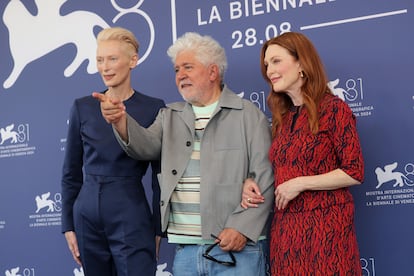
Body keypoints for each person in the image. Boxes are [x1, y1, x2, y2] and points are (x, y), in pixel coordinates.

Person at [93, 32, 274, 276]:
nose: (180, 76)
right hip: (186, 252)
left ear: (213, 72)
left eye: (188, 67)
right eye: (177, 70)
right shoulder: (170, 114)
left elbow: (265, 177)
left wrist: (241, 228)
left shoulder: (248, 115)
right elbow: (144, 145)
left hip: (236, 250)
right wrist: (120, 120)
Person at [241, 32, 364, 275]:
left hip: (327, 229)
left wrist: (300, 183)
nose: (269, 70)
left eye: (276, 61)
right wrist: (250, 183)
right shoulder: (282, 119)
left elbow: (354, 171)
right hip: (286, 231)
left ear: (301, 64)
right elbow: (277, 169)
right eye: (266, 64)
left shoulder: (333, 109)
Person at [61, 27, 165, 276]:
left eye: (112, 59)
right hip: (86, 214)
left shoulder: (154, 107)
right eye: (99, 60)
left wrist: (158, 228)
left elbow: (160, 176)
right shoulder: (82, 107)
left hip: (131, 210)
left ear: (132, 61)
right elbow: (71, 171)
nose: (104, 67)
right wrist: (68, 225)